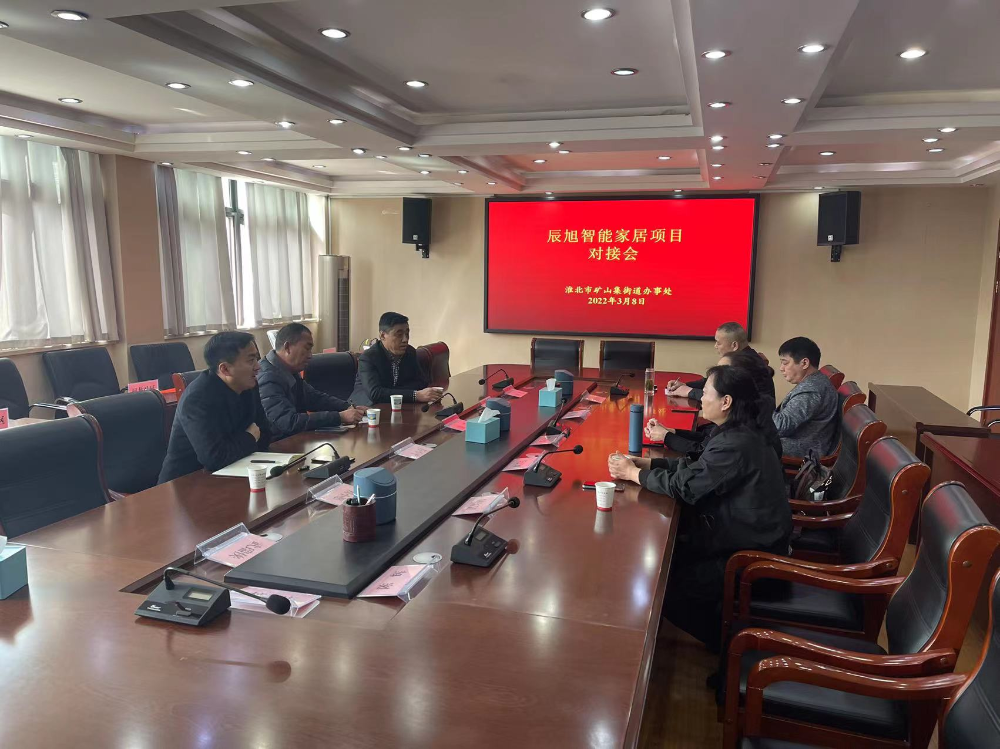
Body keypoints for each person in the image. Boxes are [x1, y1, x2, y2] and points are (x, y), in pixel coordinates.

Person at [607, 365, 790, 648]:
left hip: (749, 555)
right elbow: (699, 466)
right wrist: (650, 464)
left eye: (705, 393)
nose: (699, 398)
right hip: (741, 534)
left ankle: (734, 648)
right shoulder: (735, 431)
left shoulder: (736, 443)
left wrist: (634, 474)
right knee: (662, 562)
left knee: (663, 589)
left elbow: (687, 487)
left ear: (726, 402)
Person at [158, 332, 271, 484]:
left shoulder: (248, 386)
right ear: (225, 369)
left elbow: (264, 434)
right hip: (186, 483)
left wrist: (244, 441)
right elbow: (215, 458)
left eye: (257, 359)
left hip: (234, 472)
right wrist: (250, 437)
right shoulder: (197, 398)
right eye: (251, 361)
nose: (258, 367)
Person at [647, 349, 782, 460]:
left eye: (722, 371)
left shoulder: (744, 423)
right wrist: (671, 432)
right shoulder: (744, 408)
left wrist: (666, 437)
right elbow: (707, 439)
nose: (702, 398)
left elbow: (702, 454)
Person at [257, 323, 367, 440]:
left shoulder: (289, 369)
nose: (310, 355)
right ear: (288, 347)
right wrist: (339, 417)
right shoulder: (267, 378)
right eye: (307, 348)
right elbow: (288, 422)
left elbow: (314, 398)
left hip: (296, 440)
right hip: (277, 445)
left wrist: (349, 407)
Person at [349, 311, 443, 405]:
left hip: (397, 405)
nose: (405, 339)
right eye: (399, 335)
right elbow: (375, 393)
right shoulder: (368, 358)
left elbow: (421, 382)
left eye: (407, 333)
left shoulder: (410, 352)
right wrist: (415, 395)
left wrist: (391, 392)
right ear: (382, 336)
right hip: (366, 408)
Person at [666, 322, 773, 401]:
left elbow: (719, 398)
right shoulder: (747, 356)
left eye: (718, 343)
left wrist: (689, 391)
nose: (715, 346)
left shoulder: (745, 364)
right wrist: (685, 385)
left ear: (734, 345)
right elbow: (715, 381)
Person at [773, 336, 840, 458]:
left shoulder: (811, 390)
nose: (781, 368)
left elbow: (781, 426)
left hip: (801, 451)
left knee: (741, 443)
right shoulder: (815, 382)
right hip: (797, 444)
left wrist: (759, 404)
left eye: (785, 363)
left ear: (804, 363)